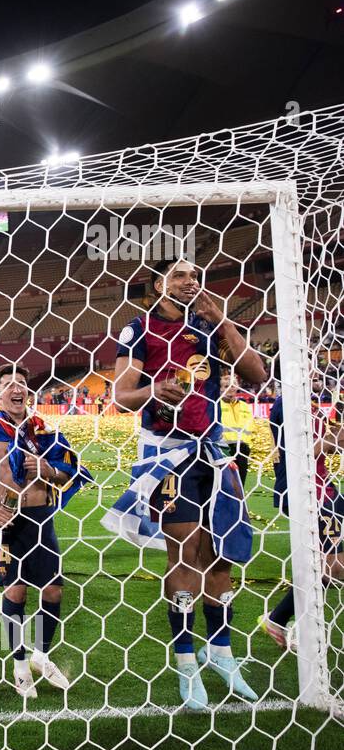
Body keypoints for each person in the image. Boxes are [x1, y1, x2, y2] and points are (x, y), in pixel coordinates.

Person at [105, 258, 268, 710]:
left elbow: (256, 374)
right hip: (166, 452)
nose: (190, 280)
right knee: (186, 547)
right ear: (158, 284)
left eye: (194, 274)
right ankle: (184, 662)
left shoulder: (209, 326)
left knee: (222, 552)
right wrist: (153, 392)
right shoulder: (139, 329)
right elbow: (121, 396)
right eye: (179, 274)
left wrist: (222, 321)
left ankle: (219, 652)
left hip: (212, 451)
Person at [0, 365, 90, 700]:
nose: (16, 389)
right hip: (5, 522)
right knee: (16, 592)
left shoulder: (46, 432)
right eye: (8, 385)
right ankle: (20, 666)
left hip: (40, 518)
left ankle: (41, 655)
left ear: (29, 393)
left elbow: (70, 473)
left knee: (53, 592)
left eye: (22, 384)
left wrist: (48, 469)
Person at [262, 372, 344, 648]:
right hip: (306, 492)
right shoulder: (287, 404)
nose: (313, 371)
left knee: (328, 564)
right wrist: (336, 439)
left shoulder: (306, 403)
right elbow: (303, 451)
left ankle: (285, 617)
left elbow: (325, 446)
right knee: (333, 565)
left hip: (324, 488)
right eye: (305, 363)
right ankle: (279, 617)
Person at [219, 371, 254, 487]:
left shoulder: (244, 406)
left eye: (233, 385)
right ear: (220, 389)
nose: (230, 388)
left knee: (240, 483)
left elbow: (251, 427)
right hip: (223, 449)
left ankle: (239, 504)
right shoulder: (216, 405)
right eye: (226, 386)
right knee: (224, 483)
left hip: (242, 449)